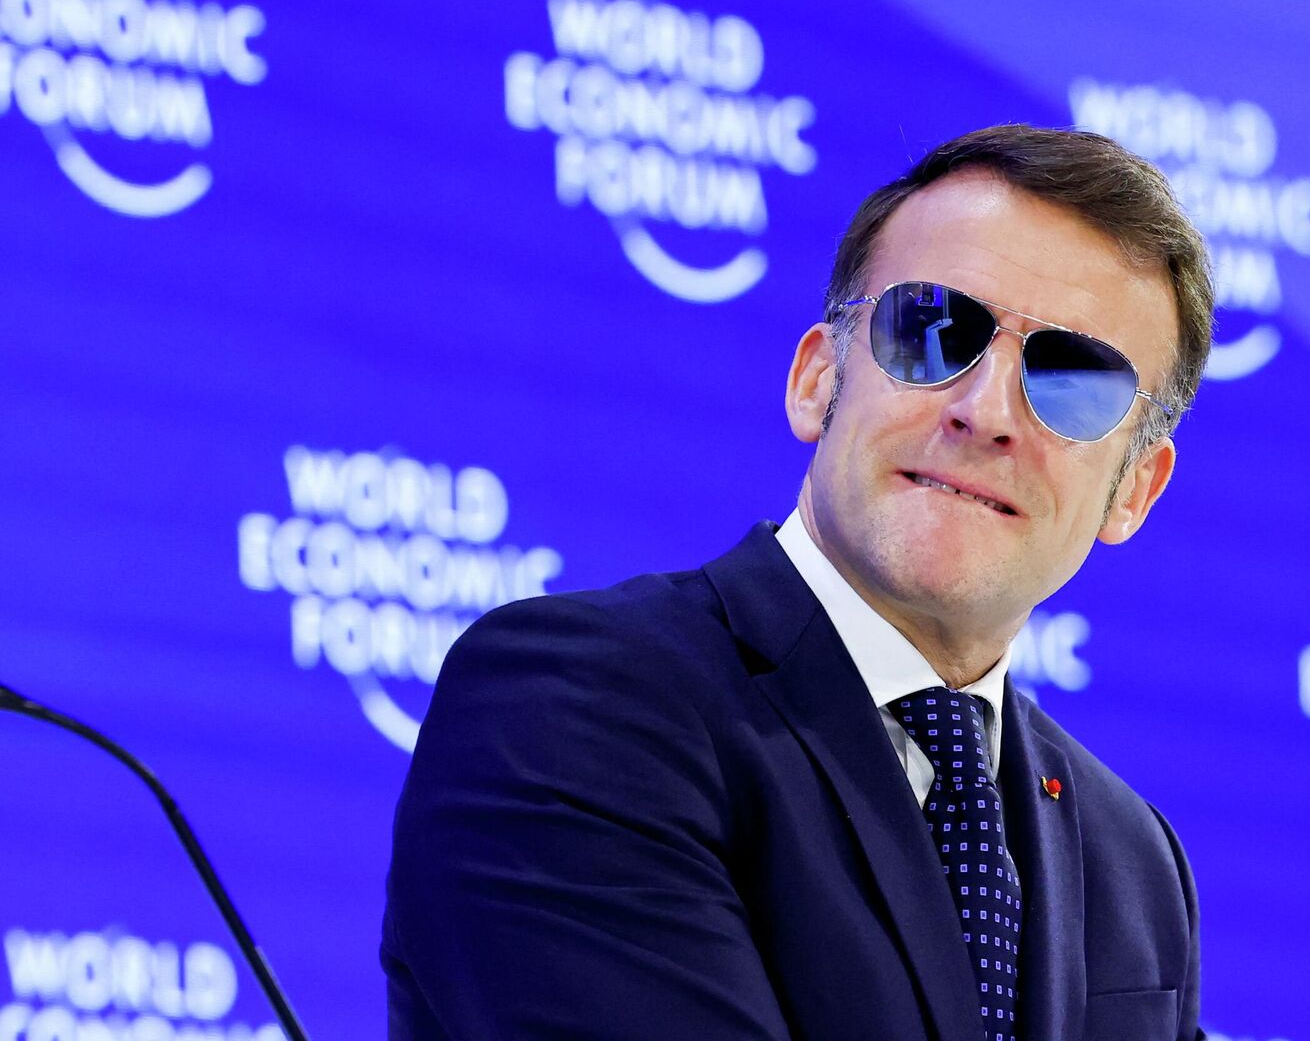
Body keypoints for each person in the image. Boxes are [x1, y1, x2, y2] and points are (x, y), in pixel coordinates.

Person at [381, 124, 1213, 1040]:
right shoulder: (573, 701)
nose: (985, 413)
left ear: (1134, 489)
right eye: (931, 332)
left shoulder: (1134, 864)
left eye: (1073, 382)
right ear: (818, 379)